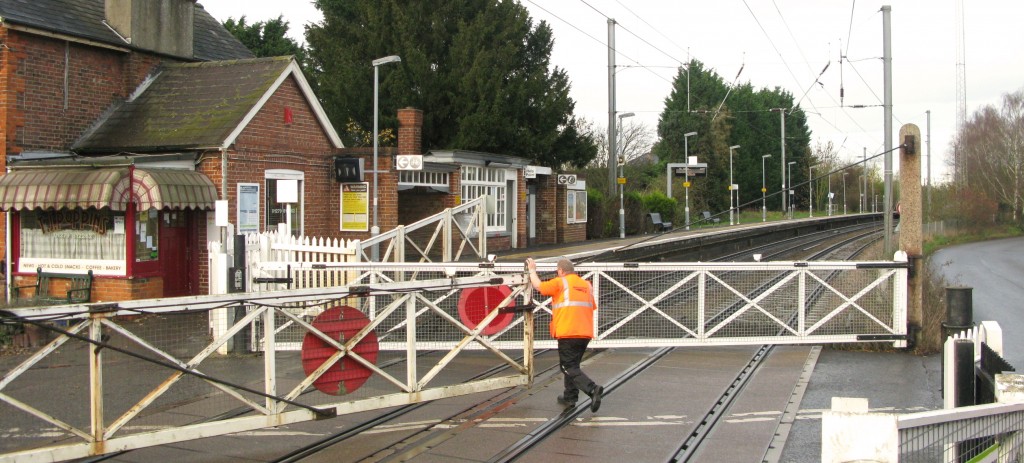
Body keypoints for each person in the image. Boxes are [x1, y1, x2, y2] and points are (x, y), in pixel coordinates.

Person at [525, 257, 604, 412]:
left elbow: (539, 286)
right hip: (585, 333)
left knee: (567, 366)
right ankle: (570, 396)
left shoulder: (560, 282)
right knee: (573, 366)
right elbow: (591, 306)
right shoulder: (586, 285)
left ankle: (593, 389)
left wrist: (532, 270)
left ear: (560, 271)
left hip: (568, 332)